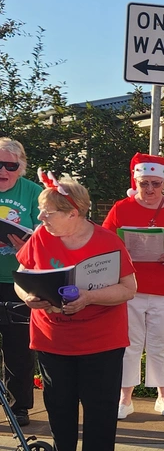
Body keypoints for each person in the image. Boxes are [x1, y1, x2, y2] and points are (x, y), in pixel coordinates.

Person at [14, 172, 137, 450]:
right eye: (41, 212)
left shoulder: (107, 242)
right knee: (59, 411)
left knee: (100, 414)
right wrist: (29, 297)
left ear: (73, 213)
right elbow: (22, 278)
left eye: (48, 213)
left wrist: (90, 296)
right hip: (52, 339)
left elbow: (129, 288)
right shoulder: (41, 237)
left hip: (101, 341)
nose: (41, 218)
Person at [104, 153, 164, 418]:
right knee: (128, 343)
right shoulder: (121, 208)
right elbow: (105, 243)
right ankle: (125, 399)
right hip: (129, 287)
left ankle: (163, 397)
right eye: (144, 183)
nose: (149, 189)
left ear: (163, 183)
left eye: (155, 184)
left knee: (163, 343)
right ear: (135, 181)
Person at [0, 137, 41, 427]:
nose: (3, 170)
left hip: (18, 280)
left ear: (21, 166)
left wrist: (25, 247)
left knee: (19, 347)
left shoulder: (34, 193)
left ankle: (20, 407)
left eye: (10, 165)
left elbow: (48, 236)